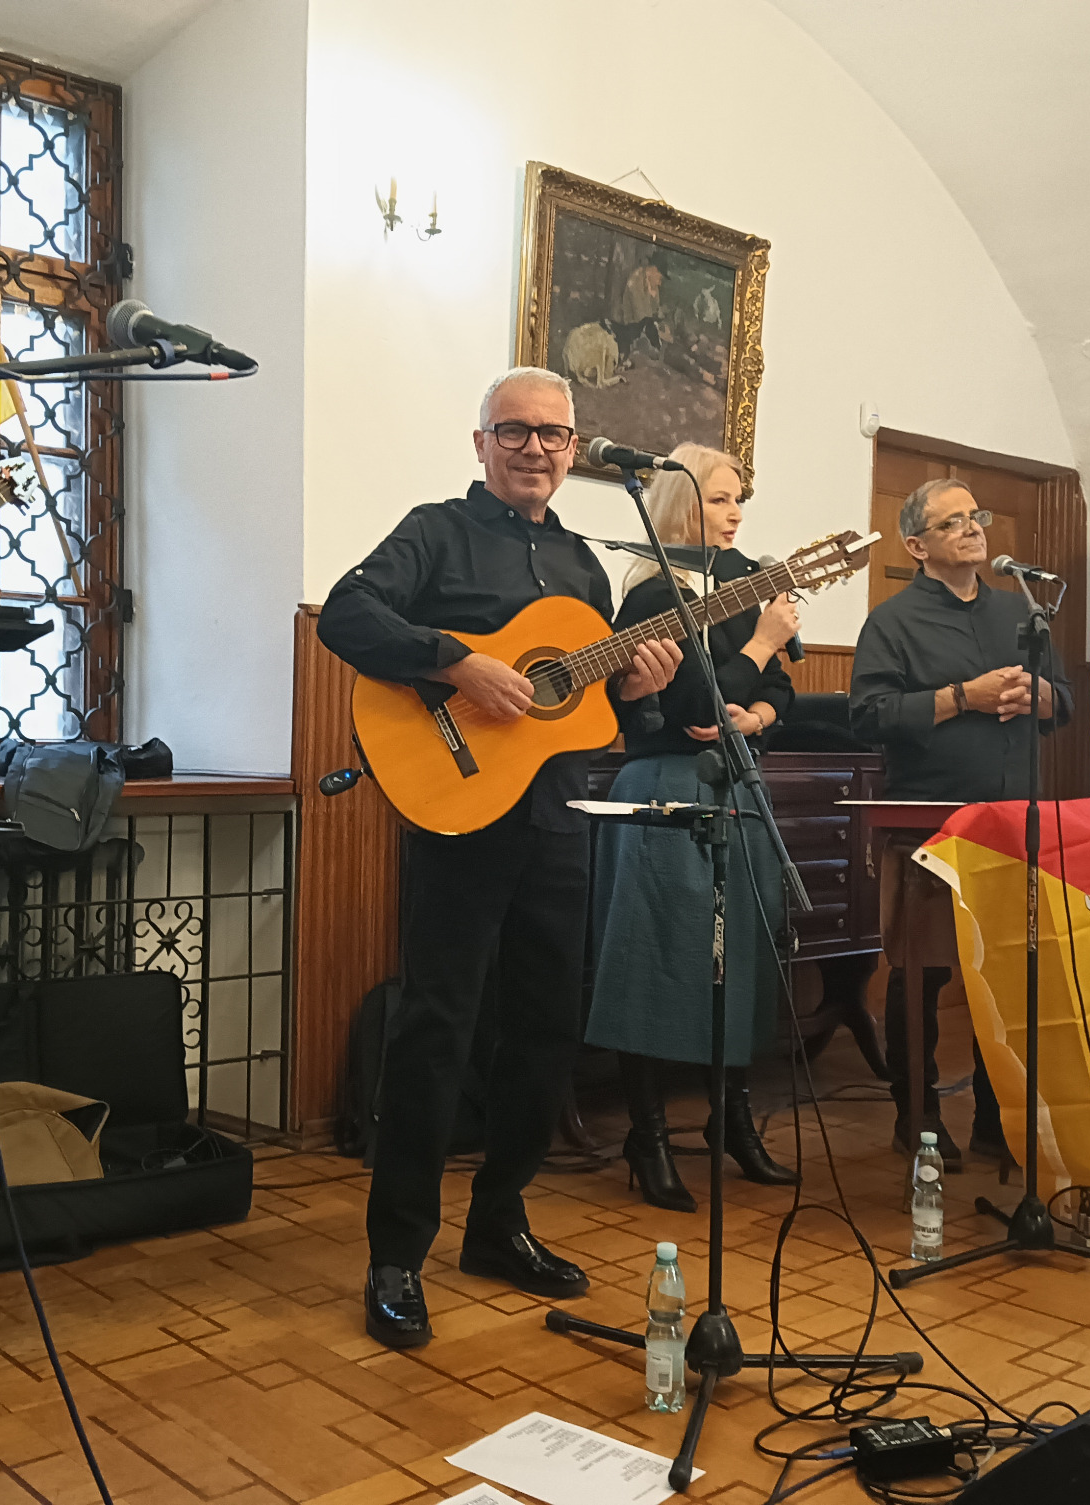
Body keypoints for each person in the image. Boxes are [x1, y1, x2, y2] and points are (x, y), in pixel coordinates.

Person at [317, 368, 681, 1349]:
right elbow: (346, 614)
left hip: (556, 821)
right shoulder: (434, 533)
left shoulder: (584, 566)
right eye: (513, 431)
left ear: (574, 448)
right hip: (456, 820)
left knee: (546, 1029)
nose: (533, 448)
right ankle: (396, 1252)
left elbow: (599, 717)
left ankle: (497, 1221)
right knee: (435, 1029)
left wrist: (643, 686)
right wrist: (454, 659)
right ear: (480, 442)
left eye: (552, 434)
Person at [584, 442, 801, 1212]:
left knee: (740, 956)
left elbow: (779, 692)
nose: (736, 512)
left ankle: (731, 1119)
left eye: (741, 498)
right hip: (666, 783)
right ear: (681, 504)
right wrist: (759, 647)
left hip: (737, 784)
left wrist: (759, 712)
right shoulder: (653, 596)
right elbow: (689, 708)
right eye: (719, 498)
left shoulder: (739, 588)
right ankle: (646, 1135)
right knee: (654, 956)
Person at [848, 477, 1074, 1167]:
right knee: (922, 976)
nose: (974, 528)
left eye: (976, 516)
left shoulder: (1020, 612)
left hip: (1013, 822)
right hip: (930, 824)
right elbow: (869, 716)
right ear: (917, 545)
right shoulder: (892, 622)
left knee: (1004, 974)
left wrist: (1040, 696)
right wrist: (960, 698)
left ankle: (994, 1118)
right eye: (953, 522)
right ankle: (916, 1117)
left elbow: (1064, 702)